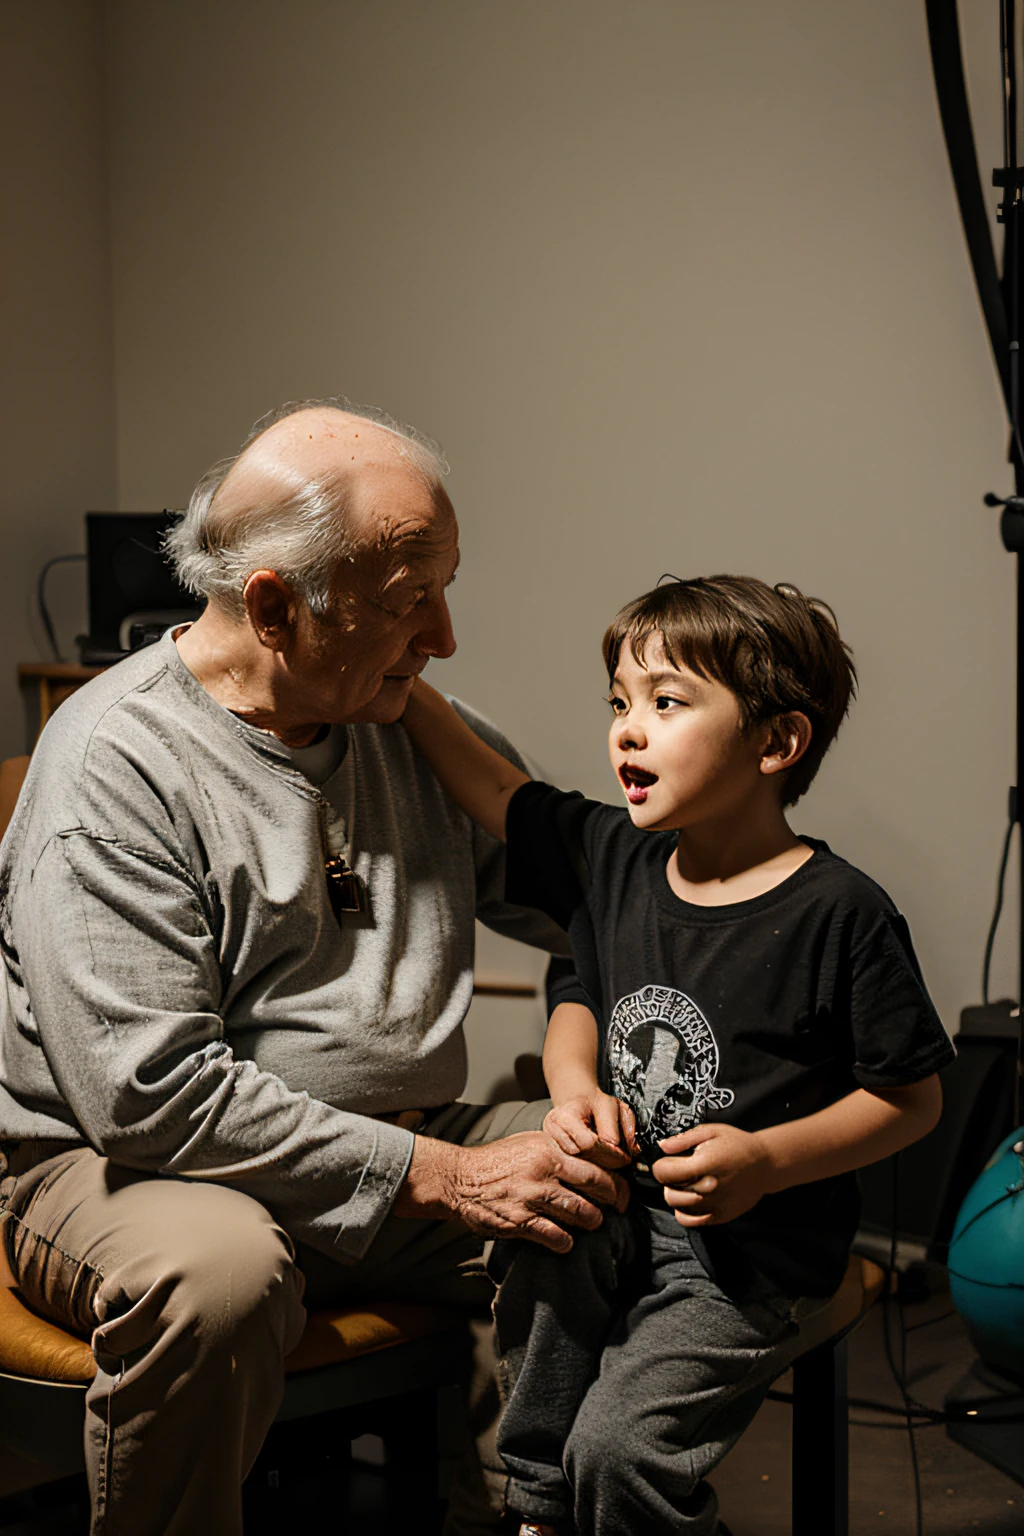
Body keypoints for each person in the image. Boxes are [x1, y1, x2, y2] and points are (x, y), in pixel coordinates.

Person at [0, 399, 626, 1536]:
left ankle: (523, 1518)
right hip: (134, 1175)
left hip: (398, 1143)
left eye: (446, 589)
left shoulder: (407, 719)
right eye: (405, 606)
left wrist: (577, 1083)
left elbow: (604, 914)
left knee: (595, 1189)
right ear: (275, 607)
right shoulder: (110, 765)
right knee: (217, 1280)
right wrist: (446, 1177)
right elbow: (149, 1099)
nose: (443, 637)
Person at [399, 574, 955, 1536]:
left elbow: (912, 1101)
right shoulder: (610, 859)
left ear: (777, 743)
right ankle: (534, 1512)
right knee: (545, 1219)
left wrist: (770, 1161)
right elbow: (564, 954)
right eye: (619, 702)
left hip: (749, 1257)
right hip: (619, 1208)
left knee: (617, 1456)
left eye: (666, 703)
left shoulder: (842, 914)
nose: (626, 728)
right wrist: (572, 1090)